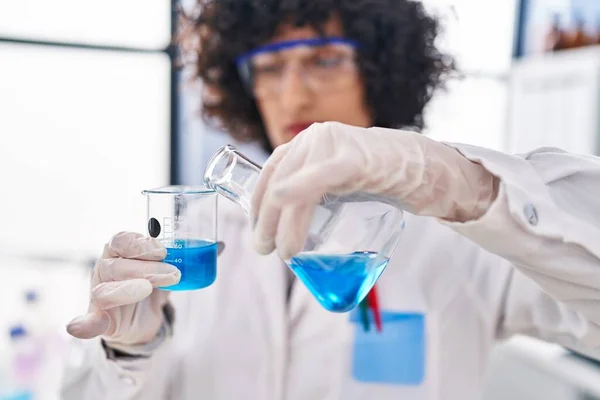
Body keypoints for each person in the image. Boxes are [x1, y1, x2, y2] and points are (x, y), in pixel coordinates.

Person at [61, 0, 600, 399]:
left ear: (381, 70)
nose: (293, 95)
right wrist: (130, 352)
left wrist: (462, 185)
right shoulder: (197, 240)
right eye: (269, 68)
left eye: (324, 60)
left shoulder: (461, 231)